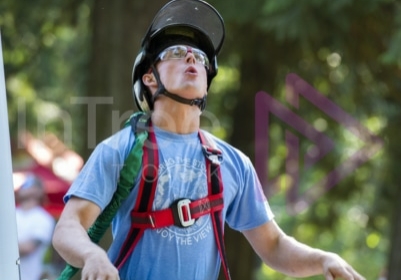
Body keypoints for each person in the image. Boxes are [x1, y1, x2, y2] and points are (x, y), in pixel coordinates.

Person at [52, 0, 366, 279]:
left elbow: (274, 245)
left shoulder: (232, 162)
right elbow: (67, 229)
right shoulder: (119, 150)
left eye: (201, 57)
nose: (192, 57)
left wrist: (323, 259)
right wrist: (92, 254)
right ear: (149, 78)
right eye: (176, 52)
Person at [15, 174, 55, 280]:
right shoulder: (11, 213)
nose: (23, 187)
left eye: (28, 184)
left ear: (38, 191)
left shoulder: (44, 218)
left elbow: (28, 248)